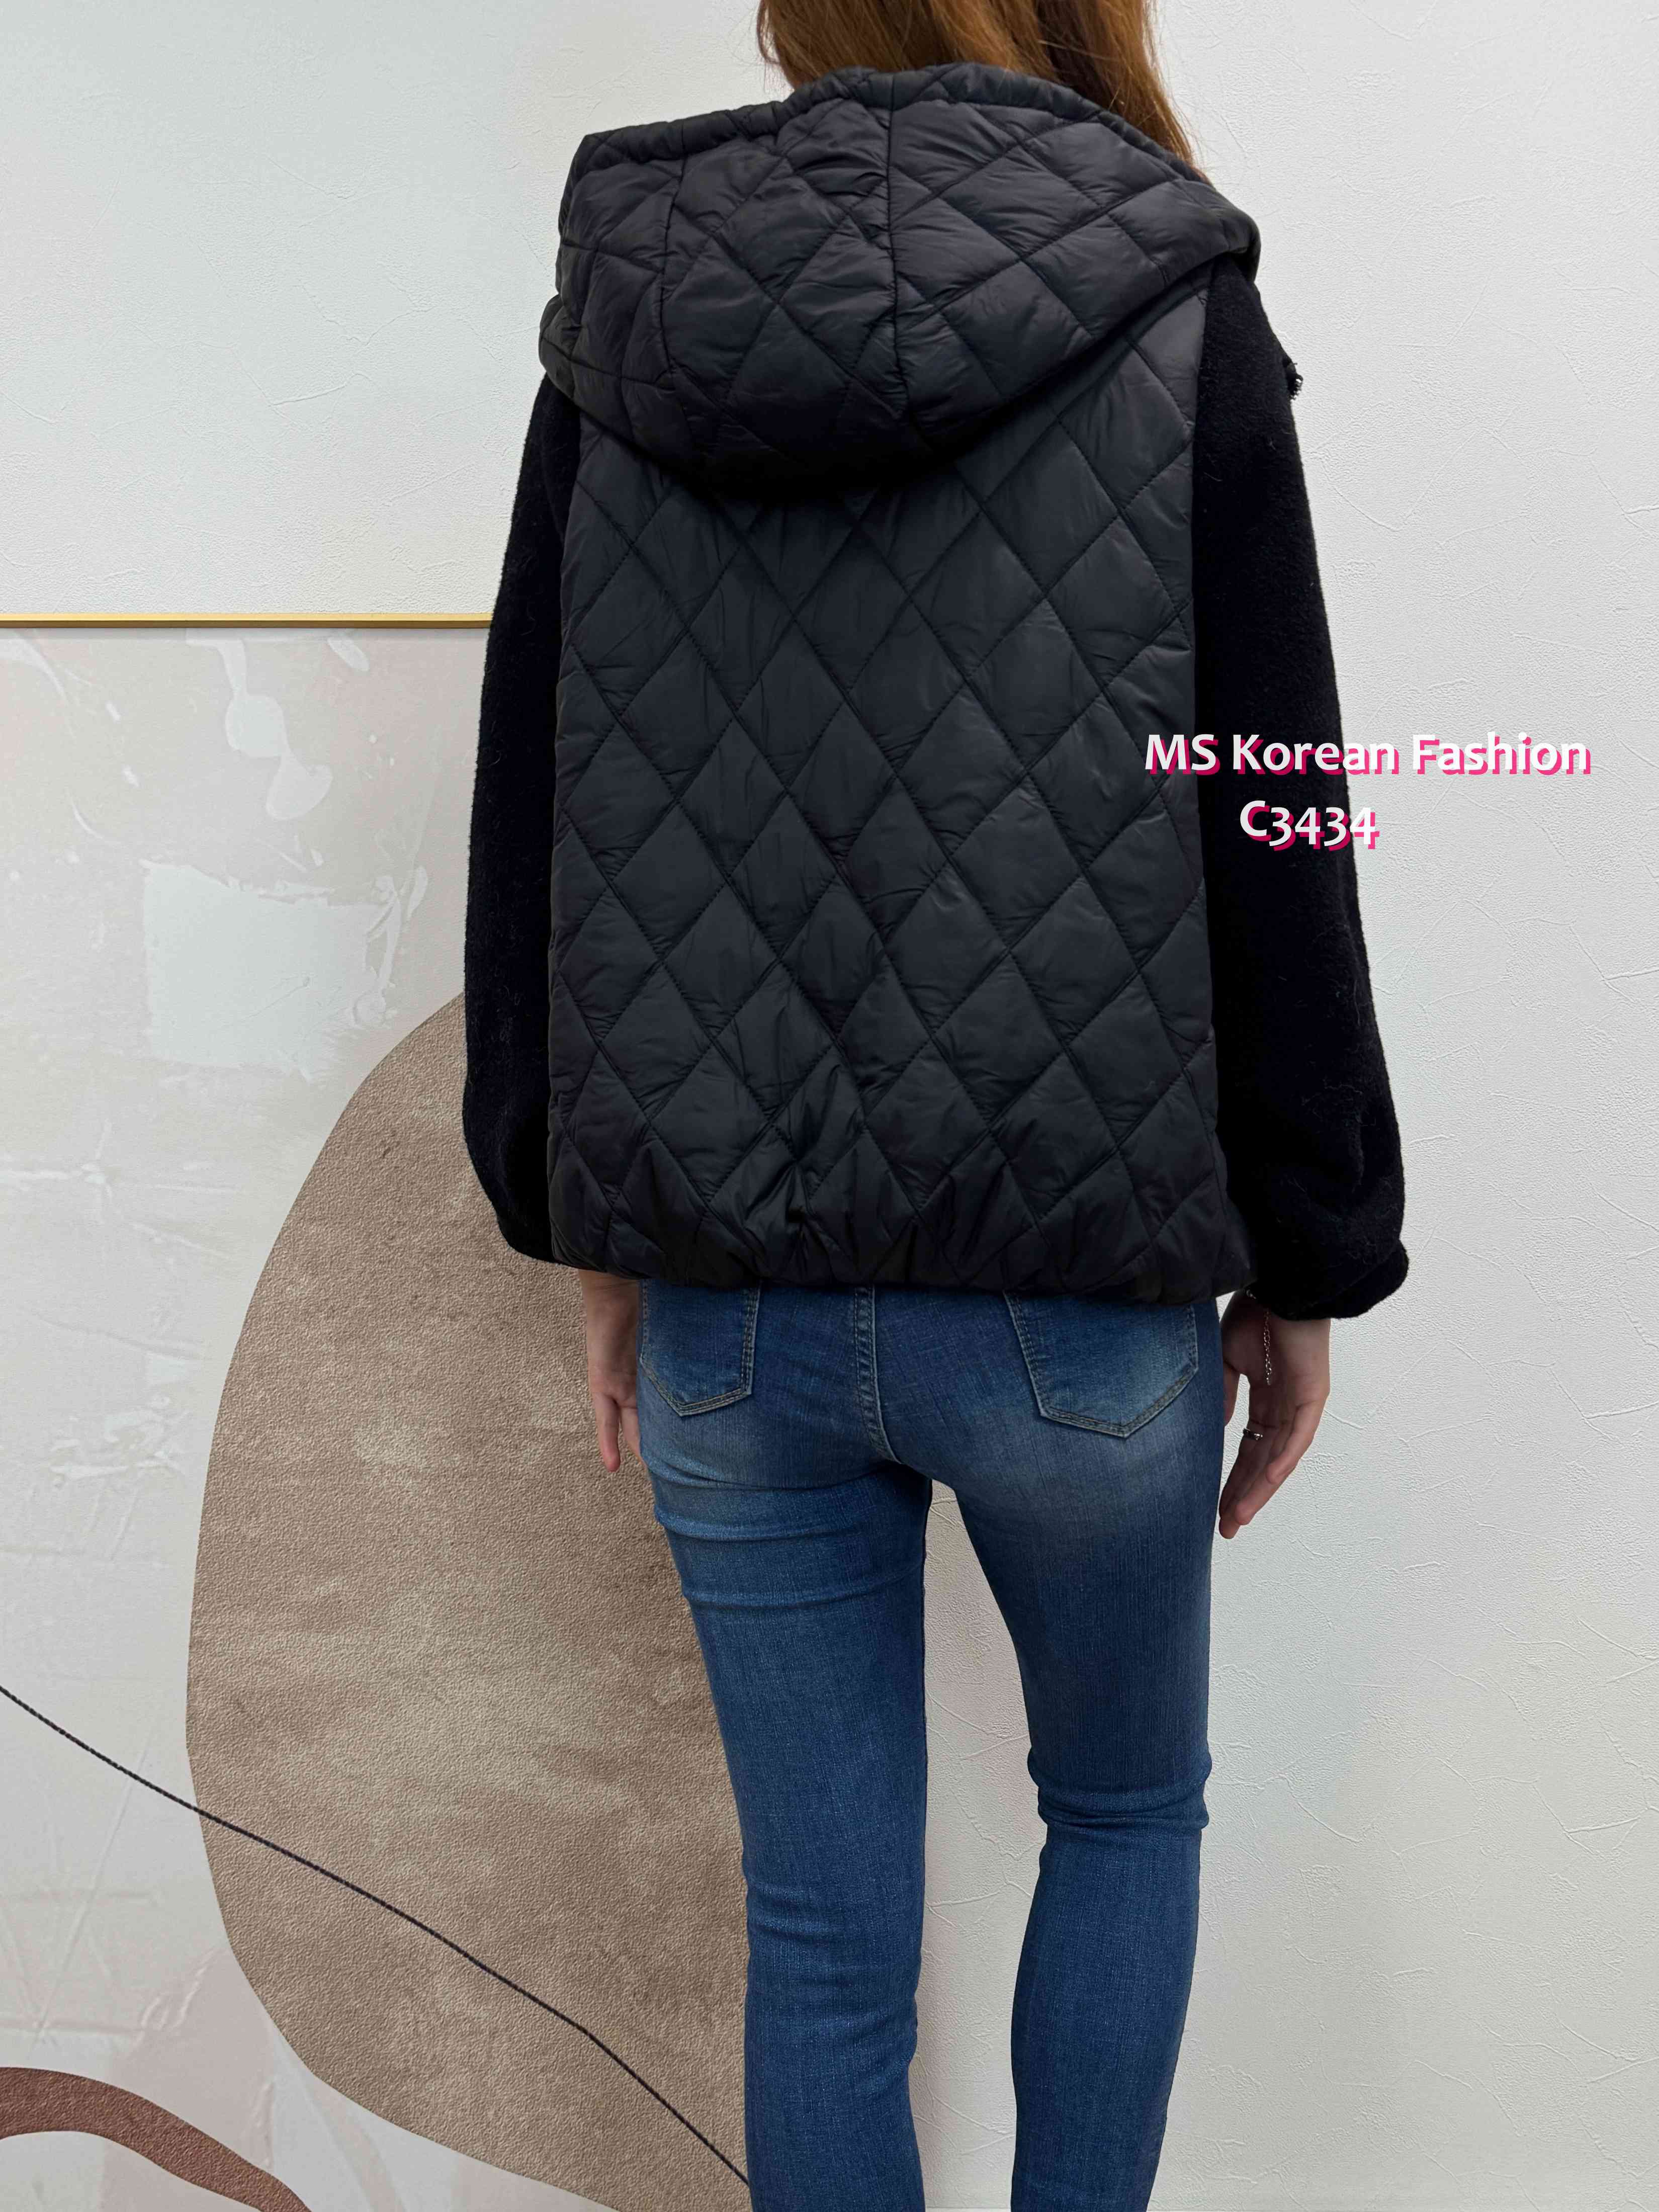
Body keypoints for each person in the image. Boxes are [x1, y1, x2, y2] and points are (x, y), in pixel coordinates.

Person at [463, 2, 1406, 2203]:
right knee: (1125, 1815)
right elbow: (1276, 811)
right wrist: (1311, 1248)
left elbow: (535, 800)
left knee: (818, 1933)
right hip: (1076, 1302)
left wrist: (577, 1217)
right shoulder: (1177, 304)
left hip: (733, 1302)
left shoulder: (620, 328)